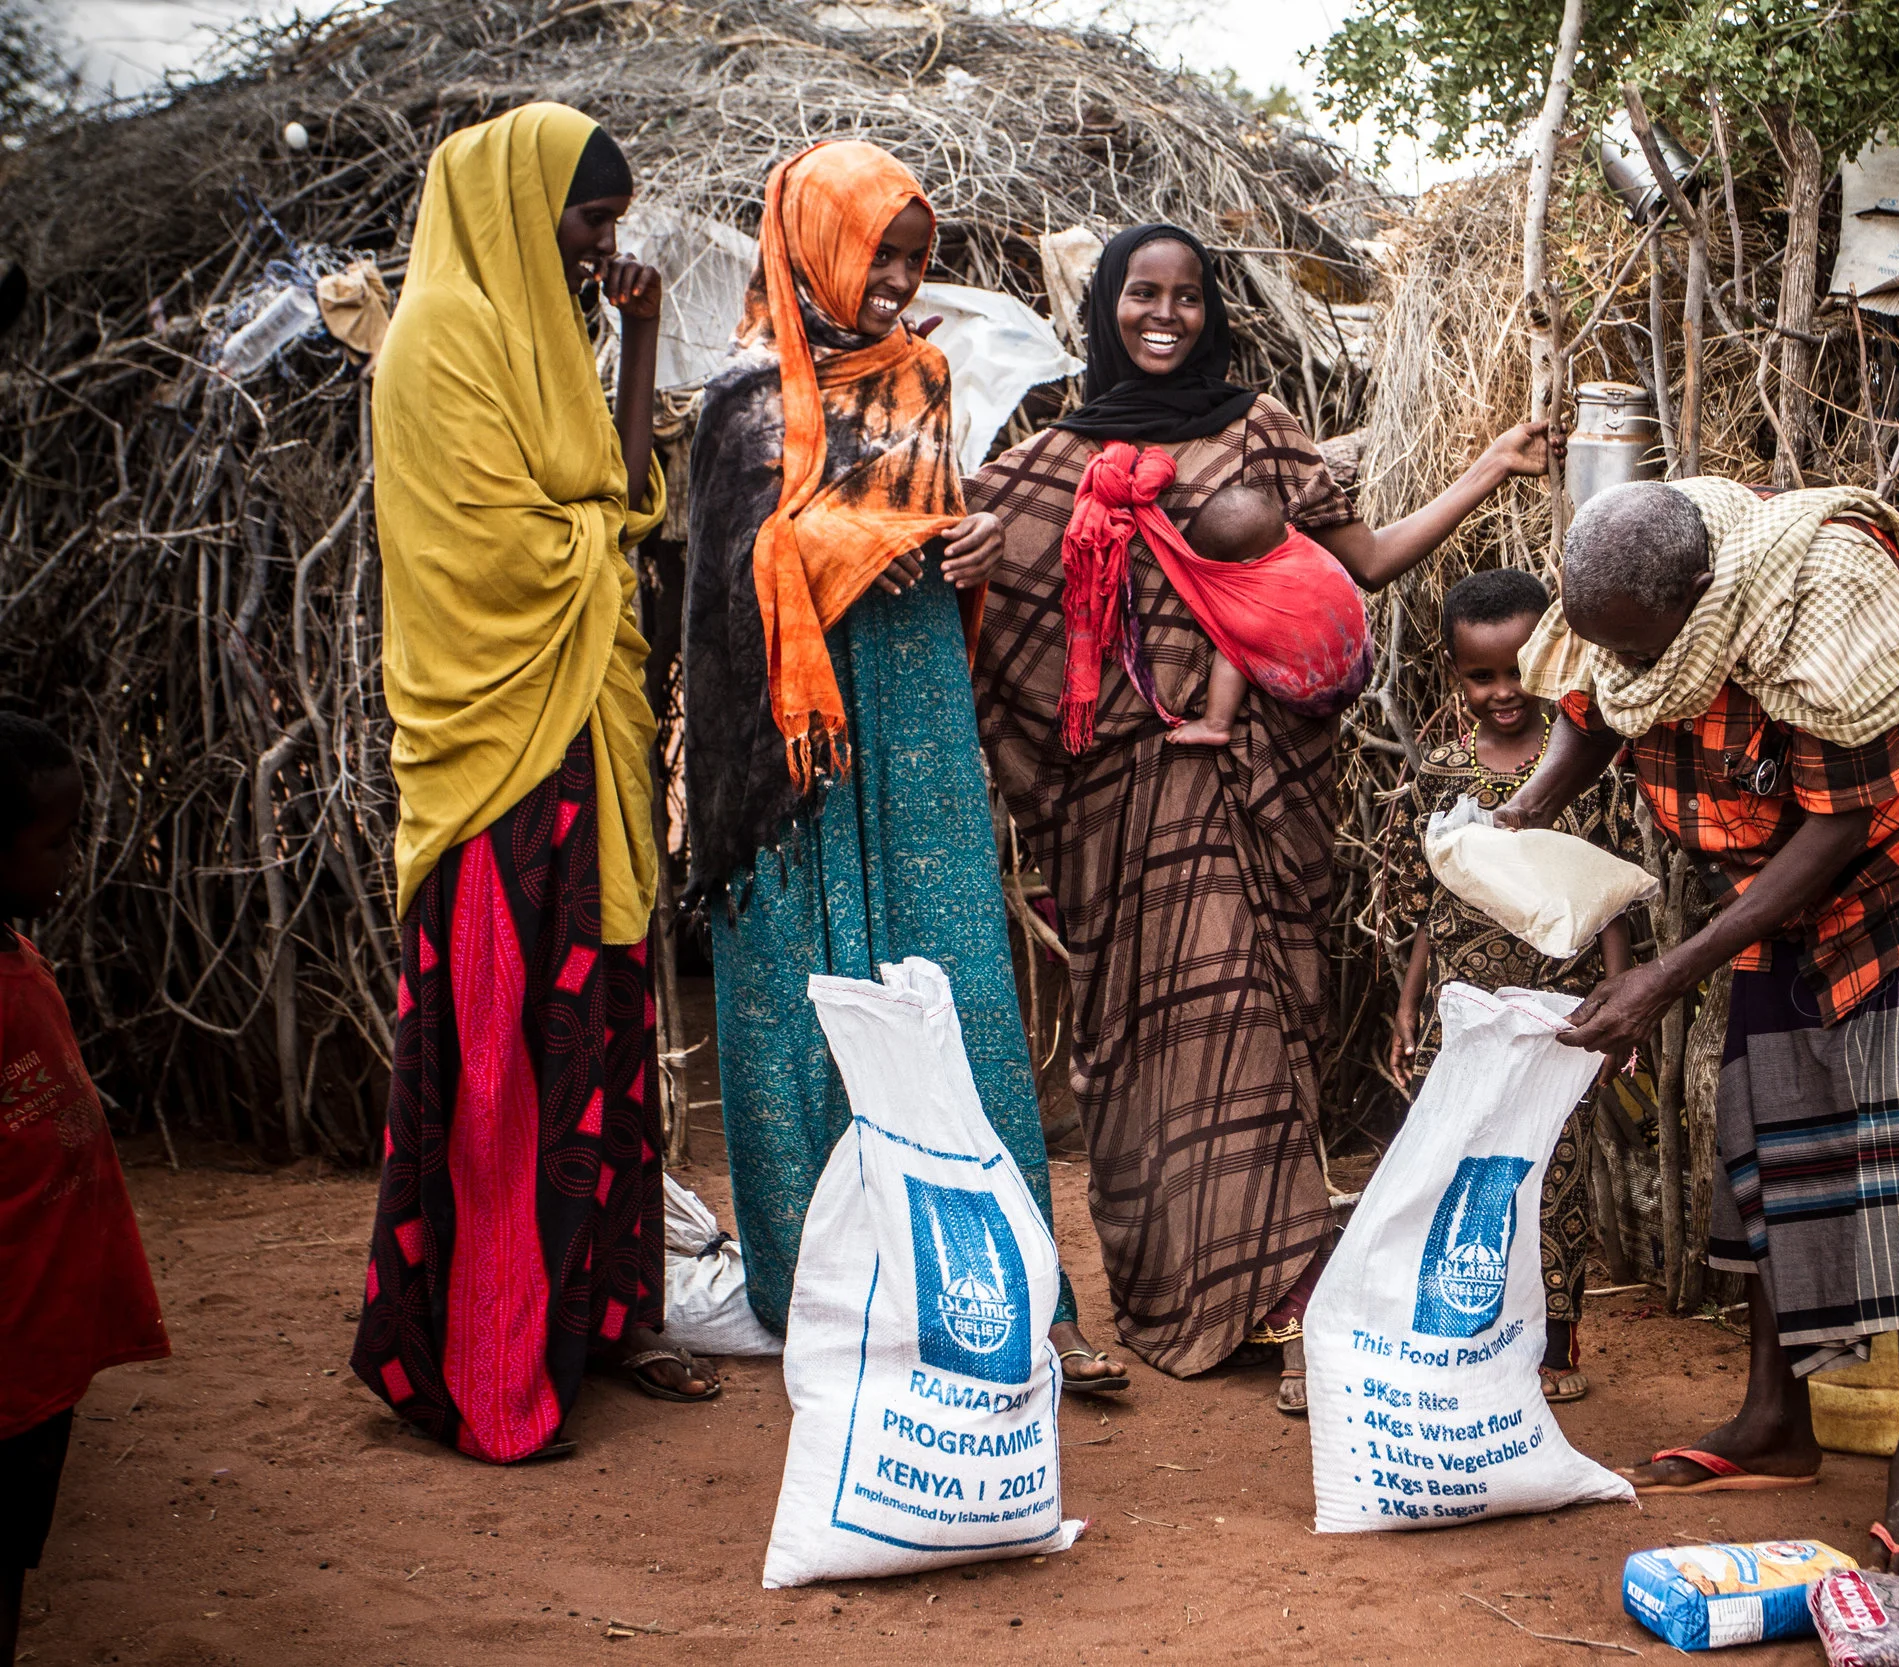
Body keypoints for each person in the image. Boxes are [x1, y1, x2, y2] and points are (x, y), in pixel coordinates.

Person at [956, 221, 1549, 1412]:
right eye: (1141, 294)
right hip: (1120, 803)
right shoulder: (1044, 464)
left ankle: (1285, 1295)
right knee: (1149, 1040)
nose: (1163, 314)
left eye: (1185, 295)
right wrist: (949, 561)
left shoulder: (1260, 430)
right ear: (1106, 308)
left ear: (1212, 310)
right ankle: (1183, 1283)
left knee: (1252, 1022)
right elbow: (990, 598)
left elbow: (1363, 564)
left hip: (1253, 787)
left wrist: (1487, 464)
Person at [1501, 477, 1899, 1578]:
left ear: (1700, 594)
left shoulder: (1827, 599)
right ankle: (1772, 1419)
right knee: (1773, 1115)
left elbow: (1841, 826)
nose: (1632, 670)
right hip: (1777, 861)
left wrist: (1669, 973)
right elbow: (1598, 705)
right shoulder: (1621, 591)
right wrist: (1520, 811)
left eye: (1648, 646)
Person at [679, 139, 1123, 1391]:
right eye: (880, 255)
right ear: (818, 244)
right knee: (804, 995)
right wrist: (861, 540)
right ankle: (823, 1297)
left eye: (917, 260)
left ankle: (1028, 1295)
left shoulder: (924, 376)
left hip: (917, 705)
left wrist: (969, 535)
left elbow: (930, 520)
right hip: (793, 738)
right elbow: (721, 588)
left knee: (956, 987)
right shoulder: (738, 400)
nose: (897, 281)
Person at [350, 104, 718, 1467]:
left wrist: (632, 333)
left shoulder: (552, 329)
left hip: (575, 740)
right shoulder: (439, 342)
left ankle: (589, 1322)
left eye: (613, 226)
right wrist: (595, 533)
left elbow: (621, 497)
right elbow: (507, 558)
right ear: (513, 209)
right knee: (508, 1052)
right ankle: (492, 1366)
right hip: (495, 750)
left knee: (598, 1034)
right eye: (586, 222)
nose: (602, 246)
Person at [1384, 569, 1647, 1403]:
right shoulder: (1443, 772)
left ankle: (1555, 1344)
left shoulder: (1583, 763)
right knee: (1463, 1162)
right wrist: (1407, 1007)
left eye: (1516, 671)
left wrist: (1617, 1004)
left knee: (1555, 1170)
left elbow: (1610, 896)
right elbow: (1434, 900)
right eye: (1480, 675)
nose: (1502, 692)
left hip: (1559, 1009)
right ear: (1454, 672)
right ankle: (1468, 1325)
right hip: (1465, 1008)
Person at [0, 716, 170, 1661]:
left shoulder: (23, 966)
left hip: (41, 1348)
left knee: (17, 1554)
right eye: (55, 843)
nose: (70, 863)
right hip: (10, 1351)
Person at [1160, 483, 1366, 747]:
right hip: (1361, 659)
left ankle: (1216, 724)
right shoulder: (1303, 543)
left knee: (1229, 647)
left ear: (1246, 565)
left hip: (1313, 697)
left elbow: (1218, 620)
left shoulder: (1251, 612)